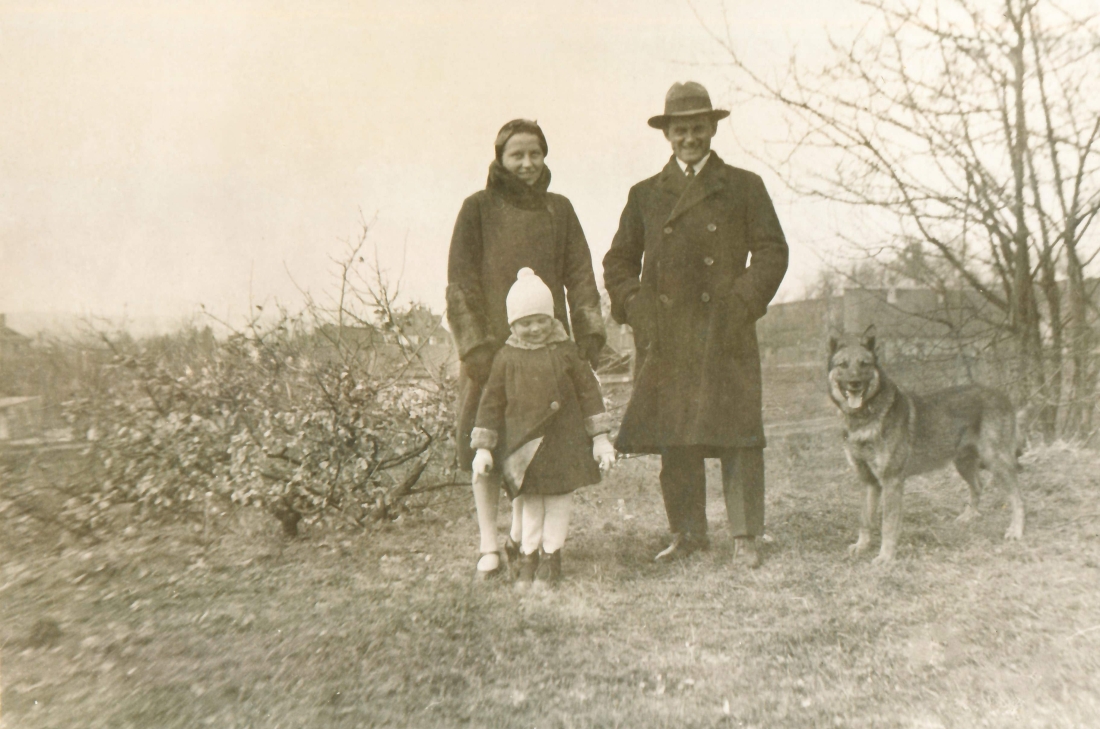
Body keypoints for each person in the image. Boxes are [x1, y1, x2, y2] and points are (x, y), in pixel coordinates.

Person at [602, 82, 789, 568]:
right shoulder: (645, 195)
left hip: (725, 328)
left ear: (712, 128)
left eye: (698, 127)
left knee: (738, 433)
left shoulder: (744, 186)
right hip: (667, 332)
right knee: (676, 433)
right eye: (681, 129)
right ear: (667, 134)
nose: (690, 137)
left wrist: (743, 301)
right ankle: (687, 533)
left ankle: (746, 535)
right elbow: (618, 261)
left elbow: (772, 251)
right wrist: (637, 305)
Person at [447, 120, 606, 581]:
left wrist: (588, 333)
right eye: (517, 155)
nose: (527, 164)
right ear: (499, 157)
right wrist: (475, 347)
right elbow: (459, 282)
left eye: (535, 154)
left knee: (540, 444)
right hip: (490, 350)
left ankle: (524, 537)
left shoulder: (560, 209)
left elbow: (580, 274)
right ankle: (489, 545)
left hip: (545, 347)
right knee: (485, 441)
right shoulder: (476, 209)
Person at [470, 268, 615, 589]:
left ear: (552, 318)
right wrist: (483, 447)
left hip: (563, 442)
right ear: (512, 324)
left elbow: (590, 394)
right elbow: (491, 403)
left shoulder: (568, 352)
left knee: (559, 501)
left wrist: (600, 439)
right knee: (531, 502)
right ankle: (528, 556)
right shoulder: (506, 358)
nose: (534, 328)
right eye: (525, 323)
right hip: (524, 447)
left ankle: (552, 557)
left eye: (541, 320)